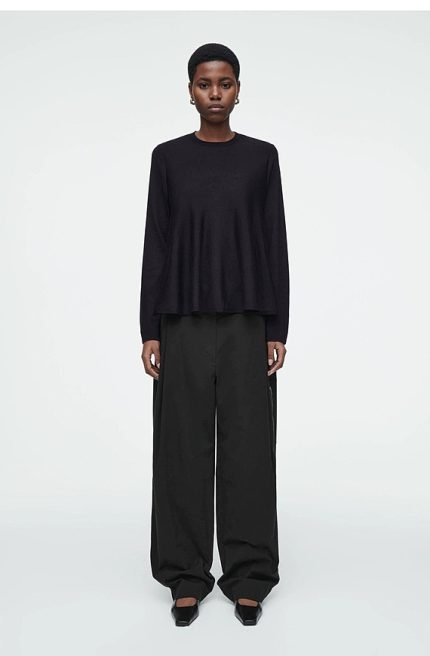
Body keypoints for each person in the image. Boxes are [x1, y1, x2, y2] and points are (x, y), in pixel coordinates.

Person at [139, 43, 290, 627]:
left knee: (249, 447)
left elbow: (274, 241)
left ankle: (249, 574)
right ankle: (184, 574)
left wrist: (277, 325)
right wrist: (150, 329)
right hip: (181, 321)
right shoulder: (168, 159)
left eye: (225, 84)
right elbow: (156, 243)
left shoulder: (261, 158)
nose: (215, 94)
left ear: (238, 90)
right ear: (190, 91)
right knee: (182, 446)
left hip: (248, 321)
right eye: (205, 84)